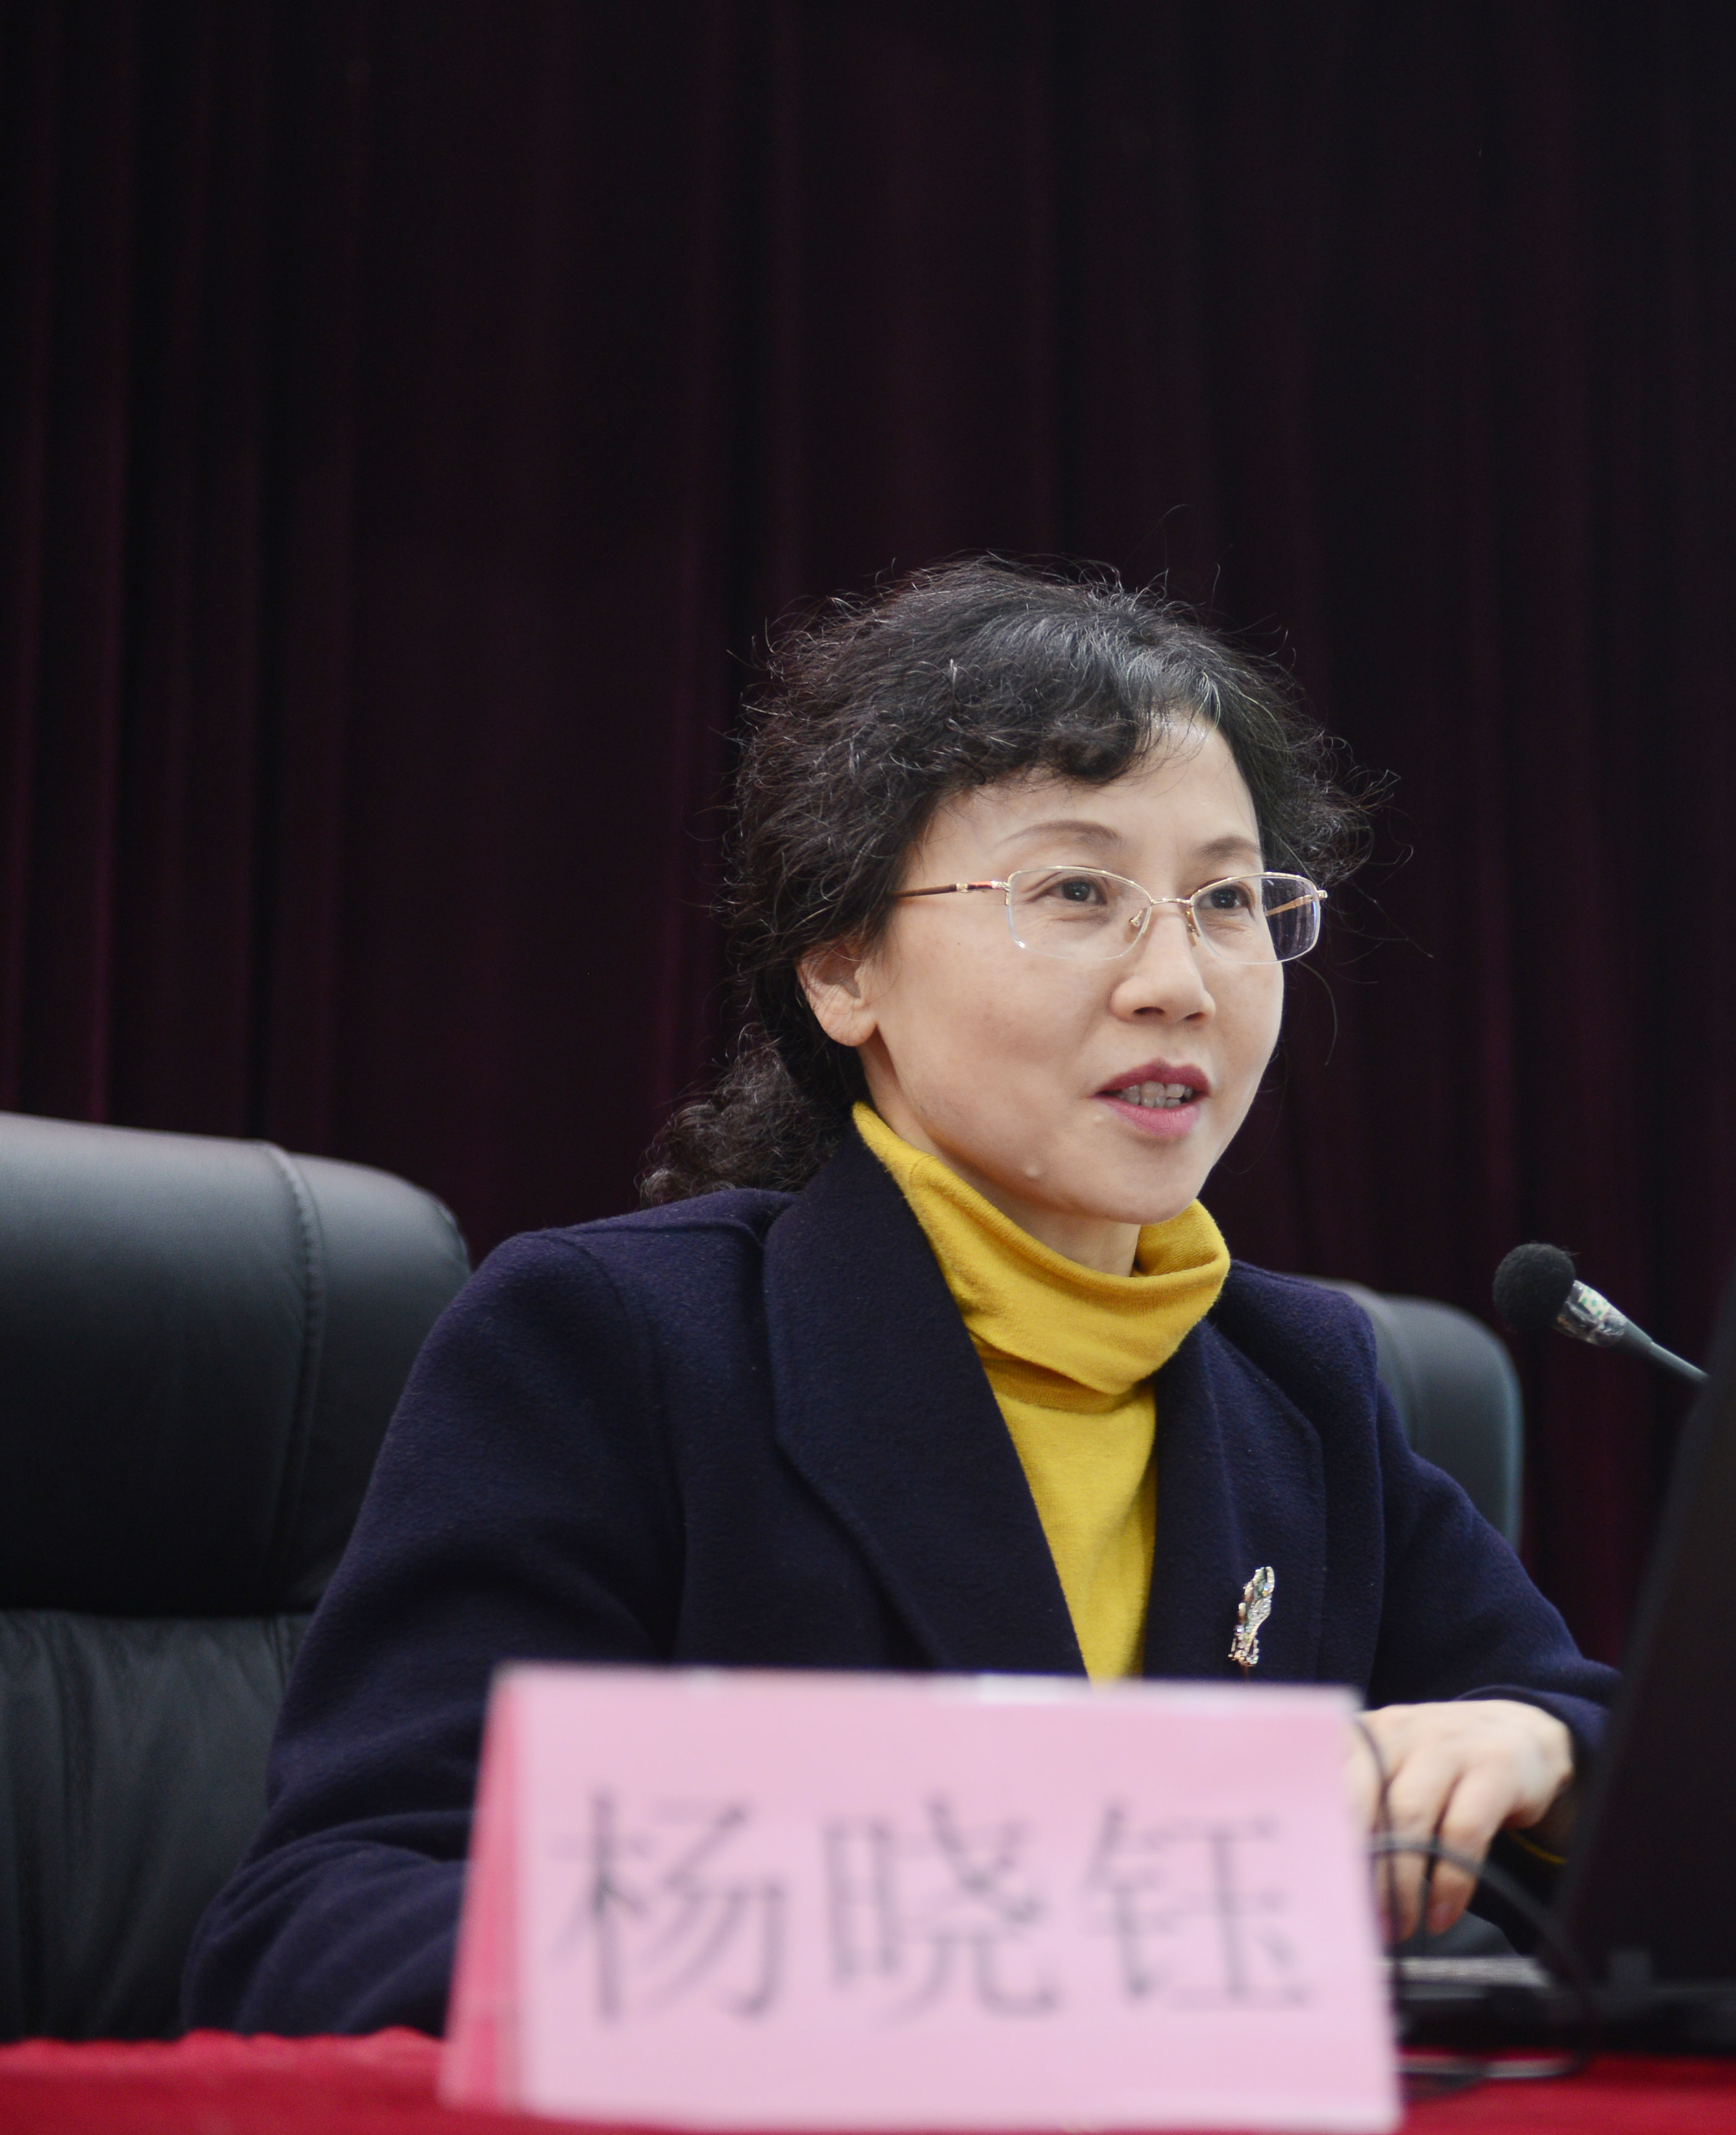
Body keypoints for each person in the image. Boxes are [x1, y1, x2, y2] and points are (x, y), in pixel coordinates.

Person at [185, 560, 1615, 2036]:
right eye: (1078, 891)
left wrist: (1544, 1753)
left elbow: (1634, 1768)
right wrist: (862, 1954)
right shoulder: (610, 1345)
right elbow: (323, 1921)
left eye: (1229, 899)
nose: (1179, 980)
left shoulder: (1301, 1381)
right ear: (843, 968)